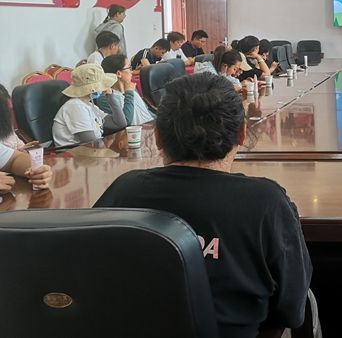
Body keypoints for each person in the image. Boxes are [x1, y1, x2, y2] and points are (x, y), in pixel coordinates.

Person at [93, 74, 313, 338]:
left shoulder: (124, 190)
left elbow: (92, 283)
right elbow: (292, 310)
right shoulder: (266, 202)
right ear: (242, 133)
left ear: (158, 137)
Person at [52, 64, 127, 147]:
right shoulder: (75, 106)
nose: (104, 88)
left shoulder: (88, 105)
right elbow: (91, 143)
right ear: (92, 89)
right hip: (74, 153)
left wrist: (110, 97)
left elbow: (120, 124)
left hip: (90, 150)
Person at [97, 54, 155, 125]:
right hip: (136, 130)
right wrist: (129, 93)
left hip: (151, 125)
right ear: (119, 73)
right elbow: (125, 122)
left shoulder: (130, 88)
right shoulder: (106, 97)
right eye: (129, 68)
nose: (131, 72)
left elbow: (147, 113)